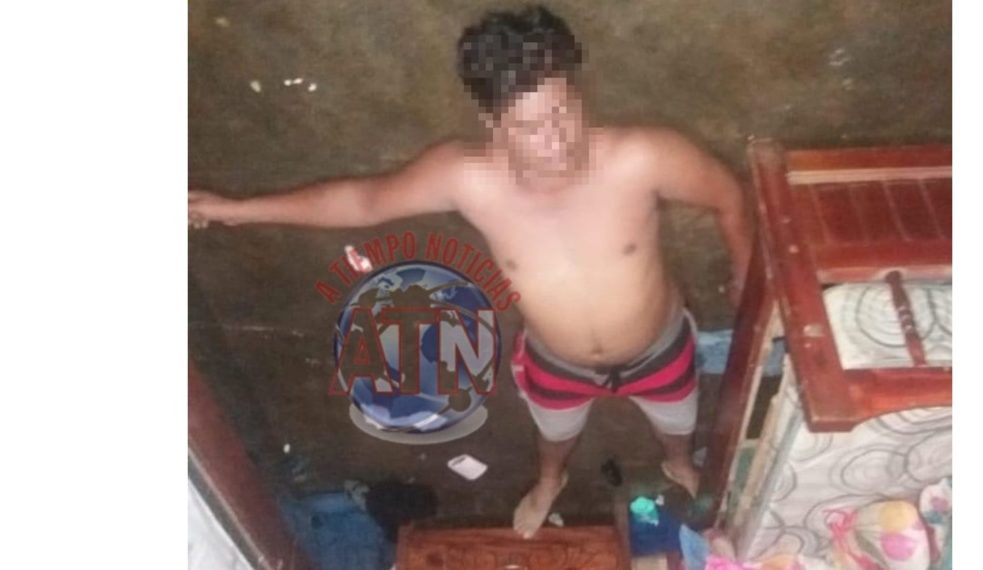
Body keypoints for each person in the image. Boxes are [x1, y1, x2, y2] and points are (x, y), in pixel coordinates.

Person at [189, 5, 754, 539]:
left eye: (563, 111)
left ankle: (679, 463)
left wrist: (745, 276)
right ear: (492, 124)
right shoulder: (467, 179)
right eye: (529, 127)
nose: (556, 140)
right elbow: (363, 201)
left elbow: (729, 197)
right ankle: (550, 480)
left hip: (659, 348)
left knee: (677, 422)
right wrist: (234, 210)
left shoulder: (644, 158)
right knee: (554, 433)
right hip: (557, 360)